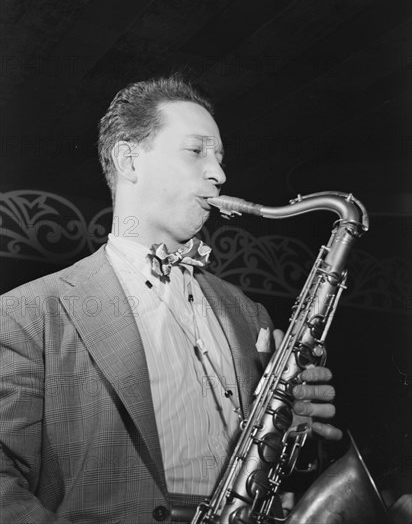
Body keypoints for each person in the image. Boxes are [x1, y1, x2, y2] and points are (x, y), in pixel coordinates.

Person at [0, 75, 341, 523]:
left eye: (219, 157)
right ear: (129, 159)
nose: (219, 174)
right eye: (197, 151)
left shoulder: (247, 312)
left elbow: (269, 461)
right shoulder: (26, 314)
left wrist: (292, 422)